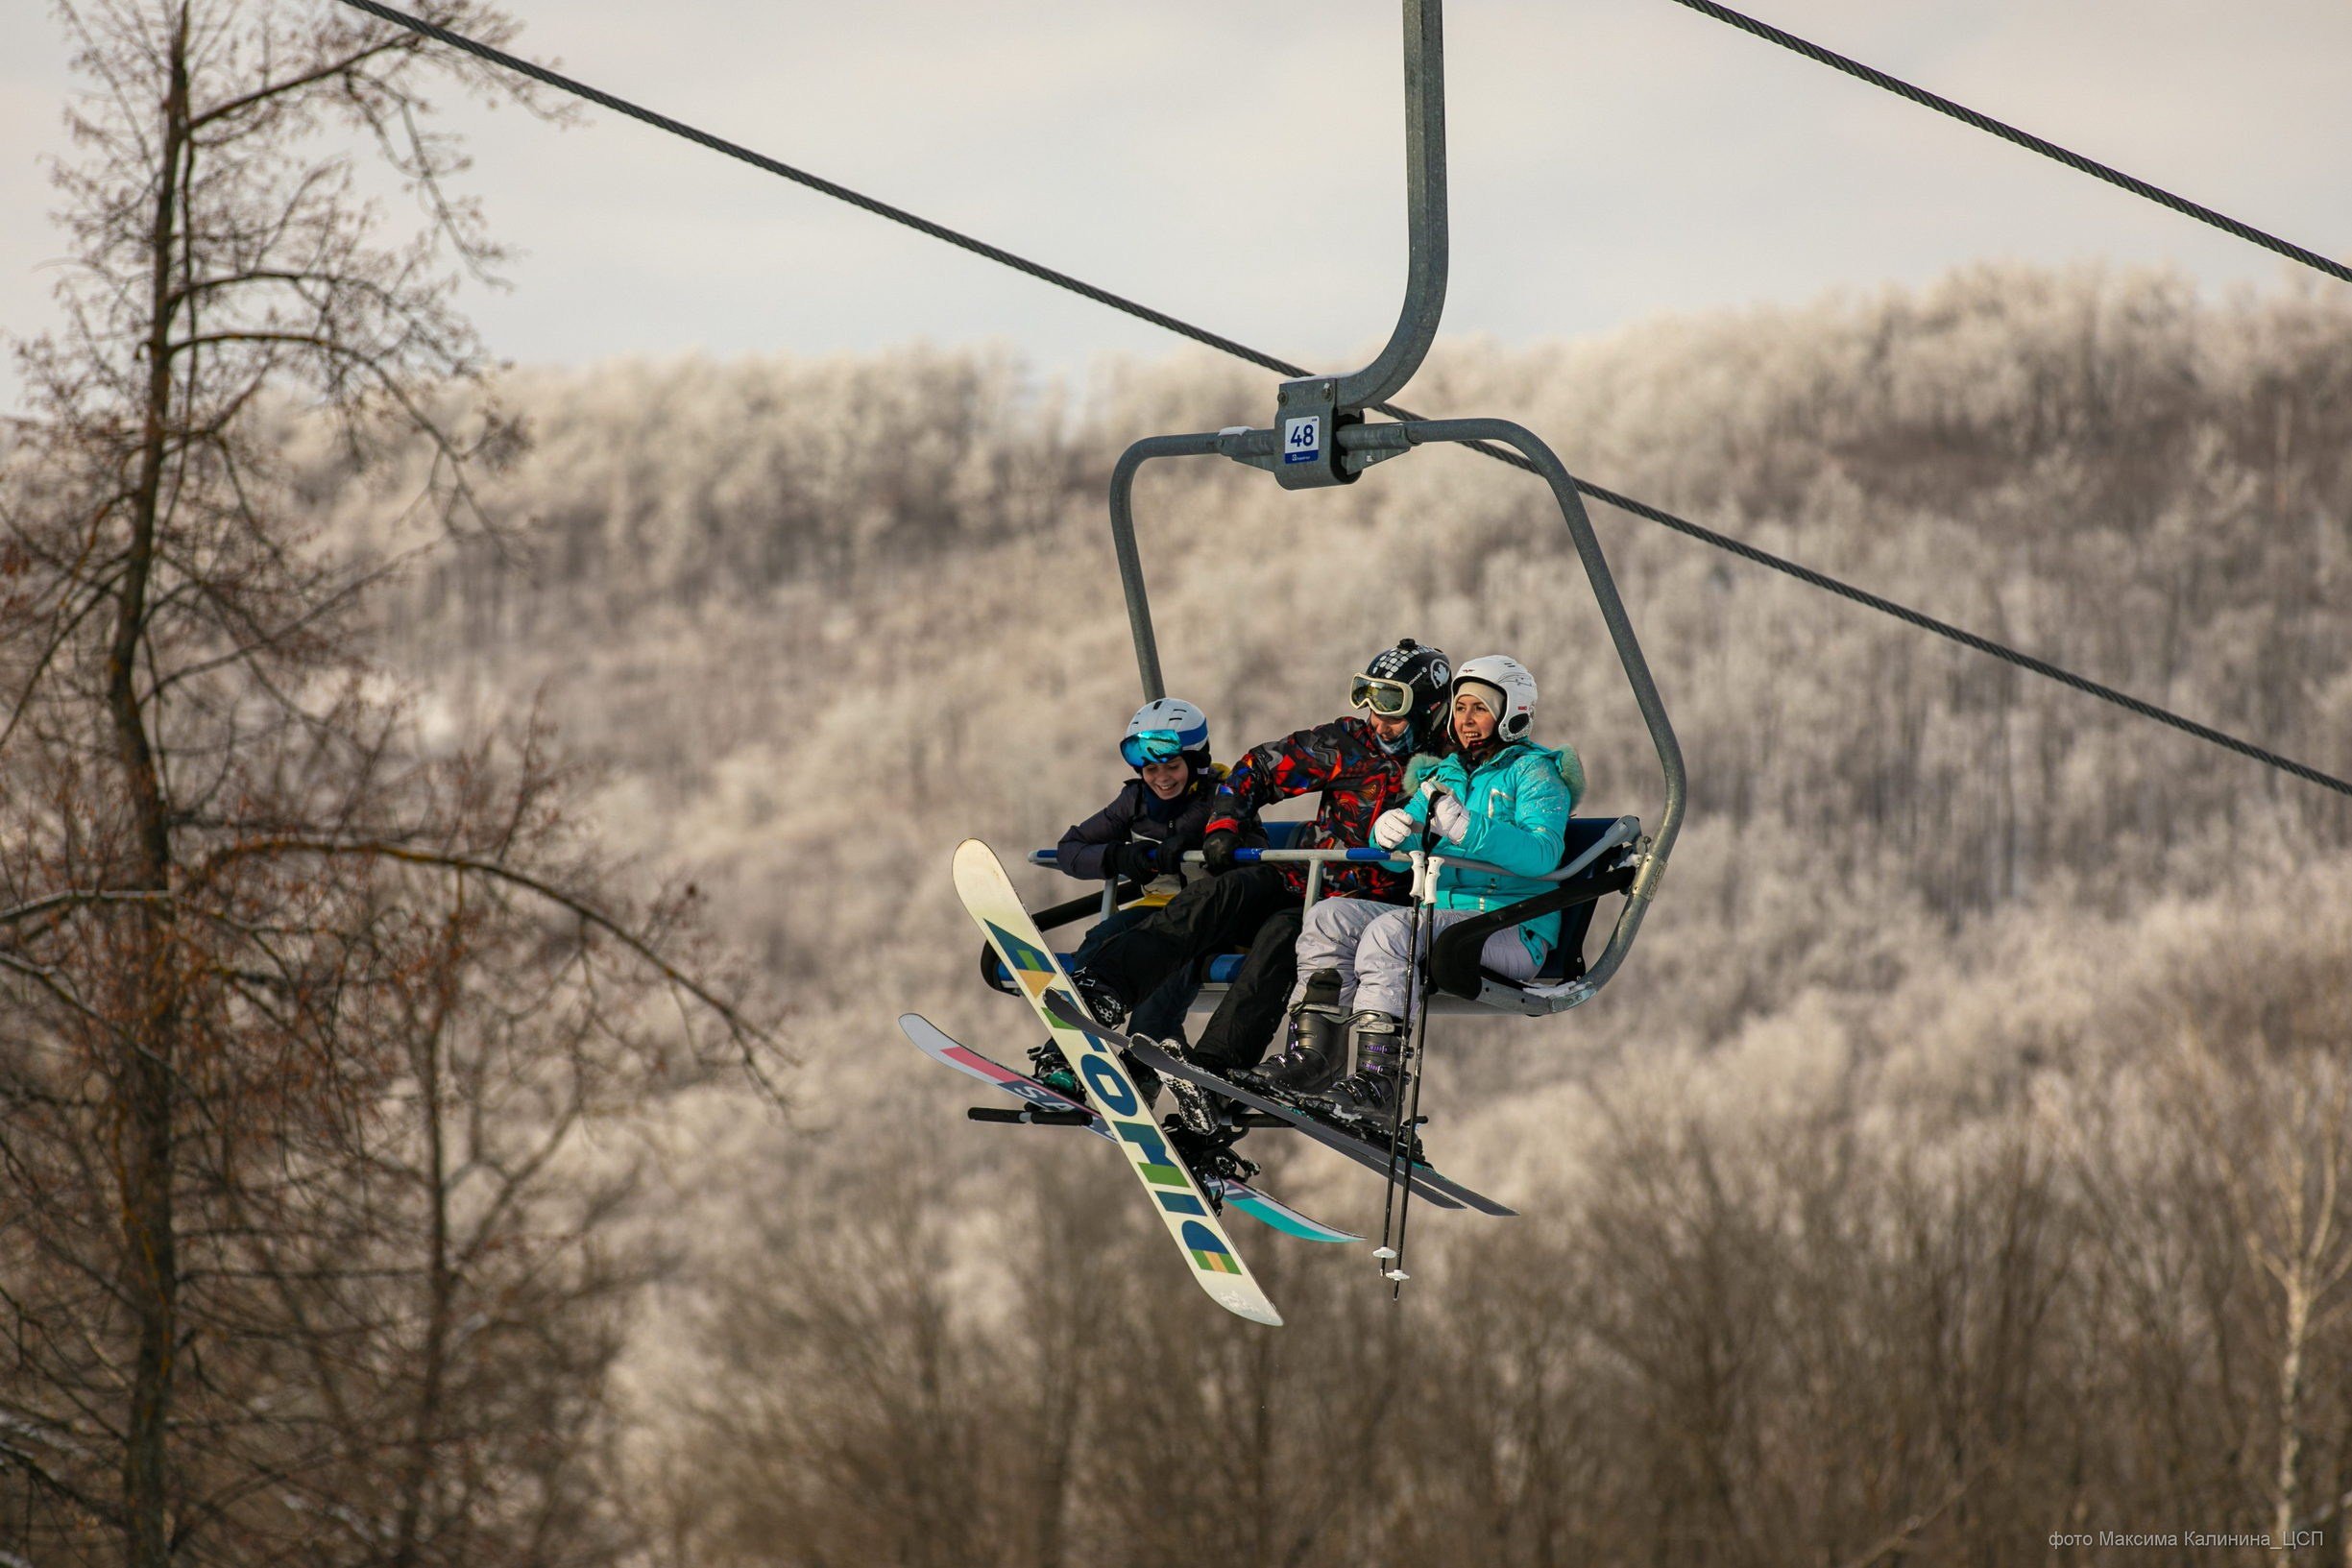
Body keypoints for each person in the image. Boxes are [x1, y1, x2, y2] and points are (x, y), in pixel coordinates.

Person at [1065, 639, 1455, 1082]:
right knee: (1222, 892)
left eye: (1393, 716)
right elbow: (1259, 768)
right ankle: (1107, 987)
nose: (1378, 723)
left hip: (1363, 908)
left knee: (1282, 936)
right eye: (1372, 710)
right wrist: (1225, 822)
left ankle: (1217, 1066)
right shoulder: (1348, 744)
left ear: (1429, 712)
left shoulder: (1451, 767)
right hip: (1301, 879)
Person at [1249, 655, 1581, 1129]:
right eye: (1460, 707)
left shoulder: (1534, 774)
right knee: (1328, 918)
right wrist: (1389, 836)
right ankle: (1314, 1056)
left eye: (1480, 708)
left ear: (1511, 714)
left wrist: (1469, 829)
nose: (1466, 720)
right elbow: (1405, 846)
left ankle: (1379, 1081)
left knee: (1392, 932)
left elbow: (1543, 854)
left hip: (1507, 925)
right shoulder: (1446, 775)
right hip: (1444, 918)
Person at [1029, 699, 1220, 1093]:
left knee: (1167, 955)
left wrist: (1201, 843)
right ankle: (1069, 1052)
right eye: (1150, 769)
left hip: (1212, 916)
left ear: (1196, 762)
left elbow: (1250, 848)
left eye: (1172, 766)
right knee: (1102, 939)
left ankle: (1144, 1063)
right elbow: (1071, 849)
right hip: (1157, 907)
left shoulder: (1224, 797)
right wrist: (1119, 856)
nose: (1161, 779)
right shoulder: (1135, 802)